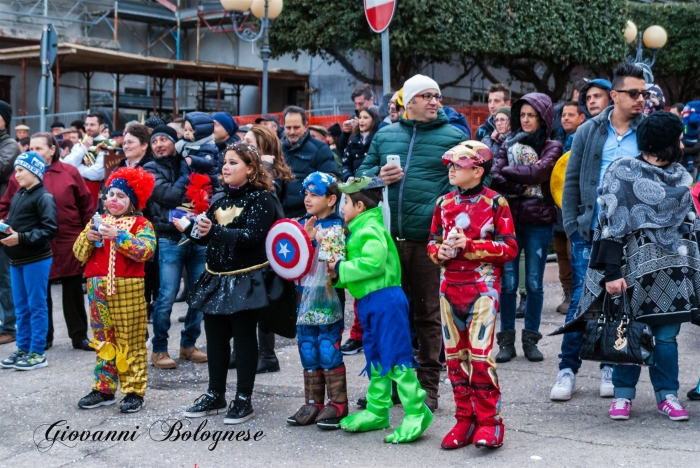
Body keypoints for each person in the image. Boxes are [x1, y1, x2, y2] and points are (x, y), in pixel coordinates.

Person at [557, 111, 698, 422]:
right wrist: (611, 274)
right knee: (627, 332)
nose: (682, 143)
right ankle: (623, 396)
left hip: (672, 275)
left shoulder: (679, 176)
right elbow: (610, 226)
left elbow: (689, 226)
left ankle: (667, 395)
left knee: (665, 338)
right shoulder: (623, 173)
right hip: (629, 273)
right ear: (666, 143)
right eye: (677, 138)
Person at [355, 74, 469, 411]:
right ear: (410, 101)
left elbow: (474, 180)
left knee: (428, 316)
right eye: (427, 96)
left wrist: (444, 203)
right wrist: (379, 178)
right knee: (391, 316)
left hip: (428, 241)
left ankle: (428, 386)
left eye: (438, 96)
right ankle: (391, 384)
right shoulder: (386, 134)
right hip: (387, 241)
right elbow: (359, 177)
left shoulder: (455, 136)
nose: (435, 102)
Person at [551, 62, 647, 401]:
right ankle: (567, 369)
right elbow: (573, 179)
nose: (640, 99)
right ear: (616, 96)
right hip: (589, 232)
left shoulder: (646, 129)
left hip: (632, 235)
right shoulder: (588, 131)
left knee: (619, 302)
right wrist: (574, 225)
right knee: (582, 300)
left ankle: (609, 365)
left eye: (644, 93)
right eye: (634, 93)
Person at [183, 142, 281, 424]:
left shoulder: (262, 199)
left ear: (251, 168)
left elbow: (253, 236)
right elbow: (206, 236)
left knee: (243, 336)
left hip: (246, 278)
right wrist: (193, 230)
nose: (226, 167)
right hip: (216, 277)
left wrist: (216, 231)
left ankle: (243, 398)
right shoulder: (220, 200)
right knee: (214, 336)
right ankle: (216, 394)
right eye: (225, 162)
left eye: (234, 162)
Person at [329, 176, 432, 443]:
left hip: (385, 301)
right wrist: (337, 273)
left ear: (360, 207)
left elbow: (373, 263)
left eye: (346, 201)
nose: (342, 207)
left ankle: (416, 411)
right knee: (376, 357)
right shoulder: (359, 228)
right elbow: (362, 269)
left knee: (396, 358)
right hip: (371, 302)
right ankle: (377, 410)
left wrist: (340, 268)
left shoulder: (369, 229)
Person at [428, 141, 517, 449]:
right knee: (454, 360)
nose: (451, 170)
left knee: (480, 359)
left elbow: (509, 248)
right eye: (450, 165)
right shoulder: (443, 203)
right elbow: (432, 242)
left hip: (482, 290)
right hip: (448, 289)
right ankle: (464, 419)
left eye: (458, 165)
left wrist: (470, 246)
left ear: (478, 170)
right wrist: (438, 251)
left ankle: (490, 422)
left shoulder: (496, 203)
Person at [73, 166, 156, 413]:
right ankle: (104, 387)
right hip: (97, 288)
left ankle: (133, 391)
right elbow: (78, 254)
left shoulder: (141, 223)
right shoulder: (95, 222)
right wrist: (88, 238)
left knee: (130, 340)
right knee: (102, 340)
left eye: (121, 196)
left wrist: (119, 236)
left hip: (127, 288)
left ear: (133, 200)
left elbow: (146, 251)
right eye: (110, 194)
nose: (113, 199)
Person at [0, 133, 94, 352]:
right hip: (34, 242)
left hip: (68, 240)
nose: (34, 152)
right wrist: (9, 227)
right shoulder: (19, 176)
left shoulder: (70, 172)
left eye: (39, 148)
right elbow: (5, 206)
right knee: (39, 294)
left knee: (72, 289)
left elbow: (86, 206)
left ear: (53, 149)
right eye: (31, 148)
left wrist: (87, 237)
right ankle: (44, 337)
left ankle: (79, 336)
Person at [491, 92, 563, 363]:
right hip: (509, 220)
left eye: (531, 115)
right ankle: (506, 341)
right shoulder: (506, 143)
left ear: (543, 118)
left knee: (533, 282)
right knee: (508, 284)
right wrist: (522, 185)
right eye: (522, 115)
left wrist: (511, 173)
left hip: (539, 222)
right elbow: (494, 178)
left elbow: (540, 173)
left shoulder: (552, 146)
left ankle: (531, 340)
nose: (526, 120)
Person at [286, 172, 348, 430]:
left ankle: (338, 404)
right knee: (307, 347)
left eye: (315, 194)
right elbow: (289, 260)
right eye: (306, 194)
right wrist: (302, 236)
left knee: (327, 347)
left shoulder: (339, 226)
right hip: (304, 296)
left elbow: (335, 266)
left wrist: (319, 240)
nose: (308, 199)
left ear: (332, 198)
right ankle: (313, 402)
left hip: (327, 296)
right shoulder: (302, 223)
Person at [143, 125, 207, 370]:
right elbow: (169, 196)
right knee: (167, 296)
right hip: (169, 237)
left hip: (197, 235)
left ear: (175, 142)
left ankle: (188, 345)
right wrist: (187, 171)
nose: (159, 144)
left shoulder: (191, 158)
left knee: (199, 294)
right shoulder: (150, 168)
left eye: (164, 140)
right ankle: (159, 349)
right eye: (155, 141)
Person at [240, 124, 295, 374]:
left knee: (263, 301)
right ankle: (240, 350)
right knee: (244, 299)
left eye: (249, 141)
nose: (244, 143)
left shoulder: (274, 172)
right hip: (250, 241)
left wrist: (267, 167)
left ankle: (267, 354)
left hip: (268, 245)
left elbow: (269, 193)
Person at [0, 152, 57, 370]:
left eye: (20, 170)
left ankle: (37, 352)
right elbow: (17, 223)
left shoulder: (44, 197)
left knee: (36, 306)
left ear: (34, 171)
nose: (16, 174)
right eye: (16, 170)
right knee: (21, 308)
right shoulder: (19, 194)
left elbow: (50, 230)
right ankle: (23, 348)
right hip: (16, 259)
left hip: (36, 259)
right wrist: (5, 228)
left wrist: (21, 238)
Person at [120, 125, 158, 321]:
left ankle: (148, 308)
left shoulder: (151, 166)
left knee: (148, 274)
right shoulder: (121, 166)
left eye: (130, 142)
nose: (125, 146)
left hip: (145, 225)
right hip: (122, 228)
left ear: (144, 145)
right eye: (124, 142)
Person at [551, 102, 586, 316]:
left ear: (581, 118)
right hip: (557, 206)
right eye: (563, 115)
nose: (565, 118)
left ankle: (577, 294)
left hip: (576, 207)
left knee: (573, 251)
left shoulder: (584, 139)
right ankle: (567, 293)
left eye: (570, 115)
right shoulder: (558, 140)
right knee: (561, 252)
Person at [281, 106, 338, 218]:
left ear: (305, 126)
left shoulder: (320, 149)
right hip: (279, 214)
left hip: (306, 216)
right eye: (288, 127)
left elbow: (331, 183)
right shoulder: (277, 148)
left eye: (296, 127)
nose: (292, 131)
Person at [0, 100, 19, 346]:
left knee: (4, 276)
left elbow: (3, 168)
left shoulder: (10, 144)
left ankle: (9, 326)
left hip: (2, 216)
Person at [62, 113, 108, 205]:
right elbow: (66, 164)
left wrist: (75, 170)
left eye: (92, 125)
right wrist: (85, 147)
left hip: (93, 190)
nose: (88, 127)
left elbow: (98, 173)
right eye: (86, 124)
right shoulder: (81, 144)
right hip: (75, 188)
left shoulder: (107, 146)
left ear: (101, 126)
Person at [178, 112, 220, 190]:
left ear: (201, 132)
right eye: (186, 130)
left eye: (191, 130)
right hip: (191, 179)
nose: (187, 133)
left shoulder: (207, 146)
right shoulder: (186, 144)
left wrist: (193, 160)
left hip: (206, 184)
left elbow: (208, 161)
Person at [341, 107, 381, 181]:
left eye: (365, 118)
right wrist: (349, 177)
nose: (361, 121)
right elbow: (346, 164)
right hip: (354, 184)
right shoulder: (352, 139)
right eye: (360, 117)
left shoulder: (379, 138)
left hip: (373, 184)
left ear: (374, 120)